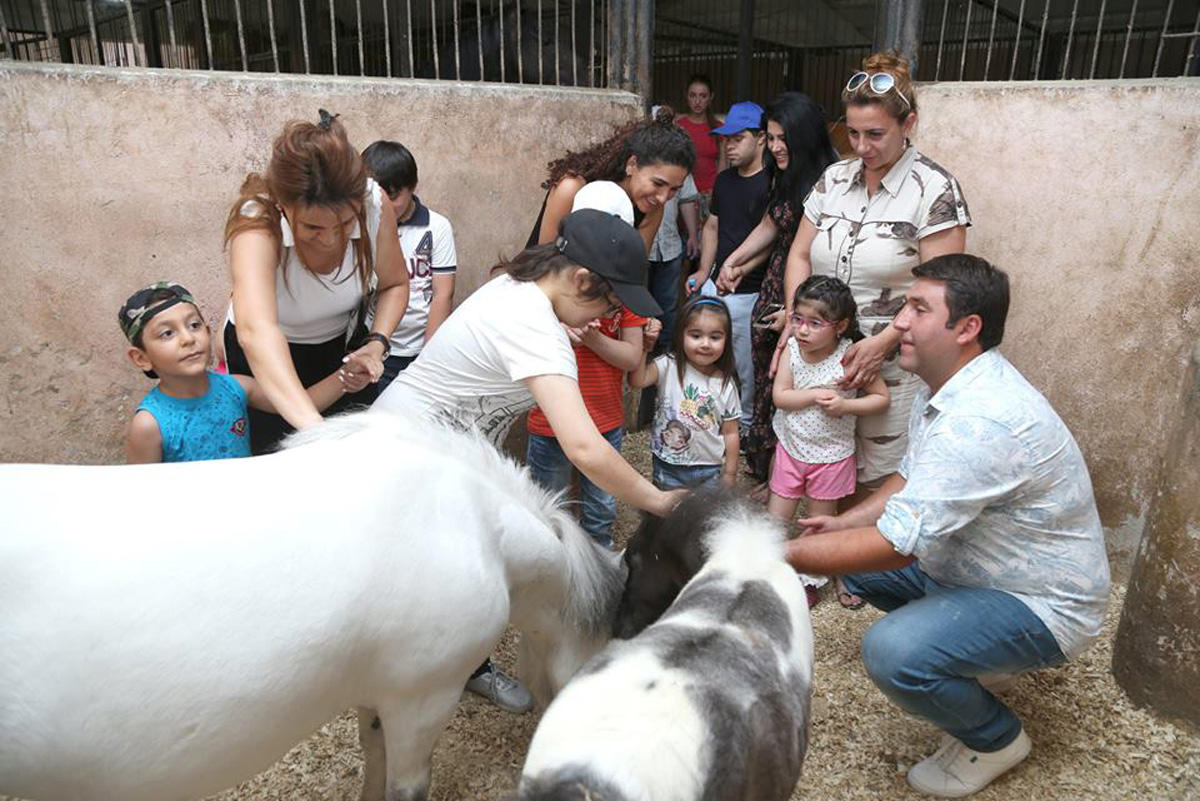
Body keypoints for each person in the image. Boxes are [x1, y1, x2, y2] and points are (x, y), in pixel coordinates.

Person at [788, 255, 1110, 798]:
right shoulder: (944, 383)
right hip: (976, 570)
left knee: (893, 651)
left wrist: (784, 554)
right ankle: (974, 654)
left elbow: (895, 547)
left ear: (967, 328)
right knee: (854, 568)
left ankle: (996, 738)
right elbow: (906, 480)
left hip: (1041, 601)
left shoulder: (979, 421)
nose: (901, 322)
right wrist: (839, 525)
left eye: (918, 309)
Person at [372, 209, 683, 713]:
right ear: (581, 279)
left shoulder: (519, 288)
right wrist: (659, 500)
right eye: (608, 302)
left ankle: (461, 667)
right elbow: (584, 448)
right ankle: (410, 690)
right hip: (405, 456)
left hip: (447, 458)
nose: (605, 317)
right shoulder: (533, 325)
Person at [781, 52, 970, 502]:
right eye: (853, 133)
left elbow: (939, 289)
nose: (862, 147)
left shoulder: (935, 190)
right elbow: (800, 254)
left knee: (877, 479)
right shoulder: (834, 178)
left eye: (876, 134)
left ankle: (859, 568)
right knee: (824, 459)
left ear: (909, 125)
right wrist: (795, 328)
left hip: (894, 363)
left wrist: (880, 345)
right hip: (822, 355)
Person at [223, 110, 408, 454]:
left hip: (337, 349)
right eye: (313, 228)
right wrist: (317, 433)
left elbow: (395, 284)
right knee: (279, 459)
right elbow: (257, 331)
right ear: (283, 206)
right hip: (267, 358)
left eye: (344, 224)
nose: (330, 239)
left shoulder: (373, 201)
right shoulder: (258, 219)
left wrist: (376, 343)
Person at [717, 93, 838, 484]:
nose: (775, 146)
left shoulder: (830, 180)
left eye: (782, 137)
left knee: (789, 381)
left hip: (808, 295)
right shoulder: (783, 176)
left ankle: (785, 474)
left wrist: (796, 311)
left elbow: (819, 254)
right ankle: (766, 469)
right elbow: (771, 227)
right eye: (770, 138)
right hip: (776, 285)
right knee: (766, 379)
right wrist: (734, 261)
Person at [120, 282, 365, 464]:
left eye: (194, 326)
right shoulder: (150, 425)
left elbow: (304, 404)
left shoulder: (236, 388)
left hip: (247, 515)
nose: (188, 339)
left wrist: (349, 373)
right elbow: (143, 494)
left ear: (207, 331)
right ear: (141, 358)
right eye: (167, 334)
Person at [525, 183, 647, 549]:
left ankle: (599, 575)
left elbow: (631, 358)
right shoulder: (546, 292)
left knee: (600, 512)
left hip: (605, 420)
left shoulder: (624, 291)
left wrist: (594, 339)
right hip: (549, 423)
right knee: (545, 511)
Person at [769, 276, 889, 607]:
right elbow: (780, 397)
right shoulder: (793, 349)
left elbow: (881, 399)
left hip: (831, 457)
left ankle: (810, 579)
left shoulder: (850, 356)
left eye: (815, 323)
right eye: (798, 320)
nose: (803, 330)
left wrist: (846, 405)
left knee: (818, 524)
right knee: (775, 519)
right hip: (791, 450)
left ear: (840, 326)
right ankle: (767, 568)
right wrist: (811, 396)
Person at [685, 100, 768, 431]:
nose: (729, 146)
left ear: (761, 138)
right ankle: (702, 415)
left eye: (738, 138)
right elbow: (712, 227)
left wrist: (740, 270)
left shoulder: (772, 184)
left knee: (745, 367)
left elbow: (772, 239)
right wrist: (704, 271)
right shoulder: (725, 181)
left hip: (750, 291)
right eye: (726, 139)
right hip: (715, 285)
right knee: (706, 355)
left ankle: (744, 427)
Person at [360, 140, 457, 394]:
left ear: (412, 187)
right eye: (375, 194)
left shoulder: (436, 227)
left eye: (392, 195)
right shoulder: (363, 225)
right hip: (372, 345)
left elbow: (442, 294)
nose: (383, 203)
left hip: (417, 351)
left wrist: (428, 356)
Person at [528, 110, 694, 252]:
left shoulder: (653, 207)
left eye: (674, 189)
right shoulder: (572, 188)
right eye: (658, 184)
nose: (663, 198)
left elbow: (634, 272)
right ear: (632, 165)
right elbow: (546, 262)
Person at [629, 295, 740, 490]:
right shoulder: (667, 366)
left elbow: (731, 433)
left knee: (705, 519)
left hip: (709, 469)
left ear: (726, 339)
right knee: (667, 516)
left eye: (715, 337)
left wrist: (730, 473)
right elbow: (638, 381)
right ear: (681, 335)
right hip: (668, 466)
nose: (705, 344)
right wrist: (645, 347)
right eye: (696, 335)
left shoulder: (726, 384)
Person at [646, 170, 699, 351]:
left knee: (668, 305)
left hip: (670, 247)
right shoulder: (644, 169)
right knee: (639, 306)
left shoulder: (681, 169)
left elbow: (687, 201)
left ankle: (666, 352)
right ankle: (642, 355)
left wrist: (693, 235)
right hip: (641, 249)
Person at [676, 74, 725, 212]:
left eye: (703, 96)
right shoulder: (678, 127)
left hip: (710, 194)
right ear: (687, 96)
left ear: (711, 98)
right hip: (682, 194)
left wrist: (717, 192)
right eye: (693, 95)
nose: (697, 101)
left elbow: (723, 165)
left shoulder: (719, 128)